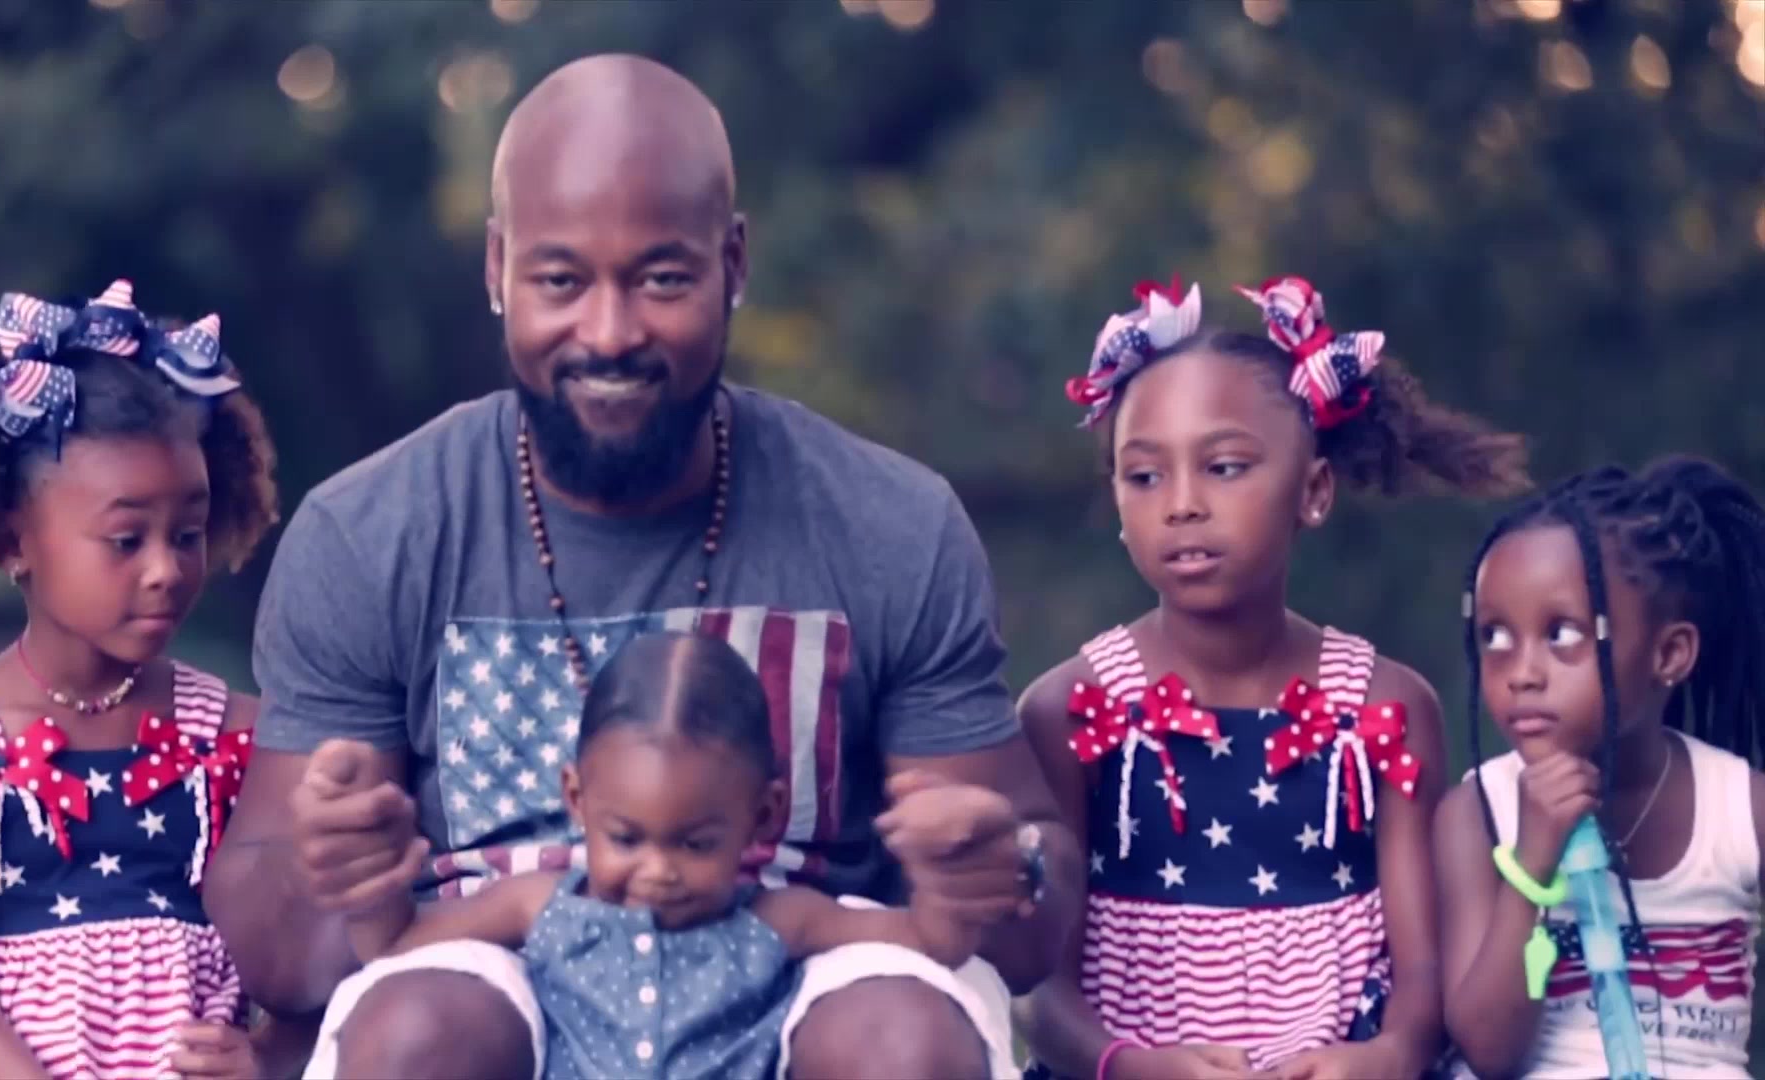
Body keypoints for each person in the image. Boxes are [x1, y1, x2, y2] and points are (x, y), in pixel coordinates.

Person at [204, 53, 1077, 1080]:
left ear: (733, 263)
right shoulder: (372, 532)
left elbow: (1033, 908)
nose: (611, 332)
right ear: (497, 270)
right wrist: (338, 873)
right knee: (414, 1033)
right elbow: (279, 943)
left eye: (662, 278)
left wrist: (997, 867)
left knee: (903, 1039)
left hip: (809, 971)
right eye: (561, 280)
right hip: (488, 972)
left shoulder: (890, 523)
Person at [1014, 276, 1532, 1079]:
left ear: (1314, 491)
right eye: (1144, 476)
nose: (1182, 505)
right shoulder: (1070, 709)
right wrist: (1129, 1066)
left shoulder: (1384, 707)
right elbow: (1036, 982)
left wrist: (1391, 1053)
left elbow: (1425, 968)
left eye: (1223, 467)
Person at [0, 281, 286, 1079]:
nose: (166, 569)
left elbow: (306, 967)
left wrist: (268, 1058)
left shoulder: (238, 738)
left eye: (188, 533)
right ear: (12, 541)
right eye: (126, 539)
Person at [326, 630, 1015, 1079]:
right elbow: (396, 944)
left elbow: (930, 943)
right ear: (577, 800)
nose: (657, 871)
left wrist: (946, 875)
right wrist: (369, 881)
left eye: (696, 843)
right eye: (626, 839)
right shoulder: (540, 904)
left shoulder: (778, 919)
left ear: (762, 815)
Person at [1436, 457, 1763, 1079]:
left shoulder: (1741, 810)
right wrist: (1532, 868)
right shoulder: (1478, 815)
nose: (1522, 673)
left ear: (1670, 653)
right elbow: (1488, 1052)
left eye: (1561, 634)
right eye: (1495, 637)